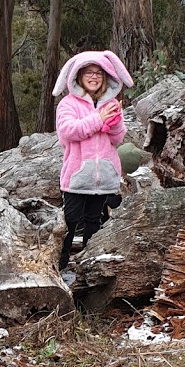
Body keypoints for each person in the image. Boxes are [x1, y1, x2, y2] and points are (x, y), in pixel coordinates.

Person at [52, 50, 134, 270]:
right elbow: (67, 131)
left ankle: (90, 269)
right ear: (78, 75)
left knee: (95, 224)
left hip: (105, 178)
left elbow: (116, 139)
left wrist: (114, 121)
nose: (94, 76)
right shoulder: (68, 104)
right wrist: (99, 119)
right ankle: (59, 268)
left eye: (99, 72)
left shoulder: (111, 103)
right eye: (89, 72)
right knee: (69, 223)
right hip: (77, 179)